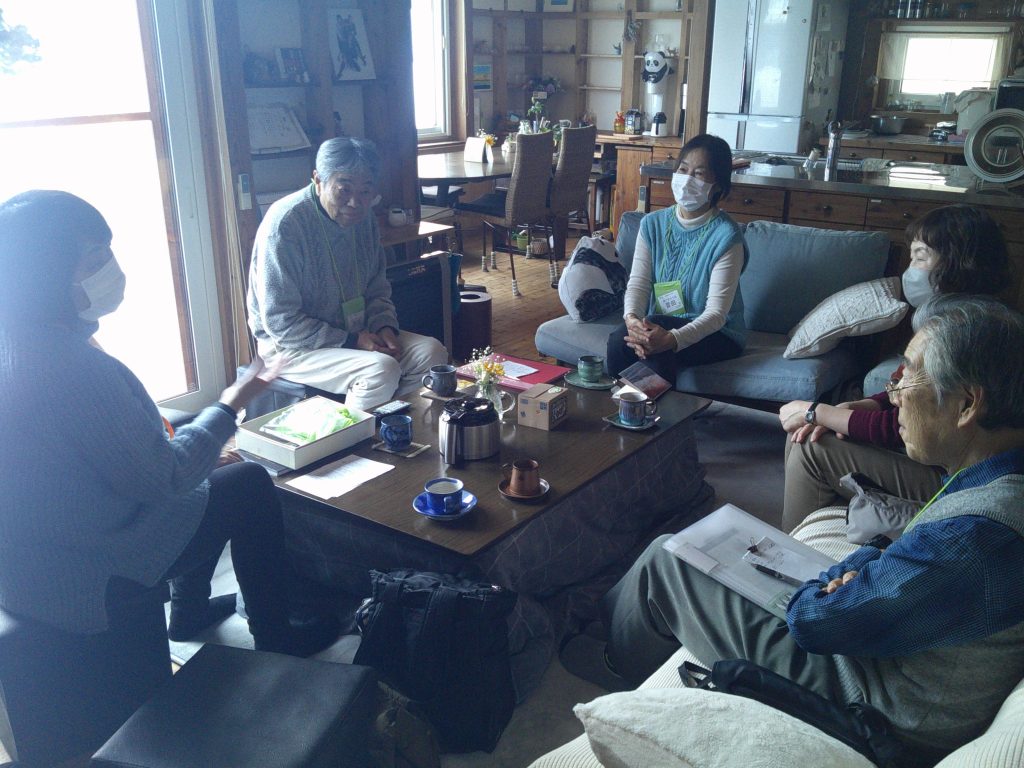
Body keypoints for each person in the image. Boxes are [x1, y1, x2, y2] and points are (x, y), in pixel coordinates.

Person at [598, 295, 1024, 760]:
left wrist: (861, 560)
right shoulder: (996, 481)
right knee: (732, 548)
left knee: (668, 558)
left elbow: (814, 621)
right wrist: (862, 569)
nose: (894, 393)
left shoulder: (973, 538)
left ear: (966, 405)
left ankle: (614, 667)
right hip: (885, 660)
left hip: (873, 703)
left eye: (909, 375)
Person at [0, 190, 338, 656]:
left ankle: (188, 612)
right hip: (88, 571)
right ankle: (276, 637)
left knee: (212, 474)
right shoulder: (72, 368)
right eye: (94, 260)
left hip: (38, 559)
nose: (111, 268)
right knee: (248, 485)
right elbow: (168, 477)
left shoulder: (19, 340)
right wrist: (231, 403)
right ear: (45, 278)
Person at [778, 204, 1010, 532]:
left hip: (957, 482)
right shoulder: (971, 316)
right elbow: (906, 394)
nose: (909, 270)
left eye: (920, 257)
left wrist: (817, 411)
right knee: (809, 432)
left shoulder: (961, 333)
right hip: (948, 465)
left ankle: (791, 552)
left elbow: (905, 426)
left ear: (957, 264)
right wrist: (867, 404)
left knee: (810, 444)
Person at [247, 136, 448, 411]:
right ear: (318, 180)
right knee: (380, 370)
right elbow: (280, 322)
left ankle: (394, 424)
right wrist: (353, 340)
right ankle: (357, 436)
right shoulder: (286, 225)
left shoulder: (364, 220)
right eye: (344, 190)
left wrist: (384, 327)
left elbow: (377, 288)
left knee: (431, 352)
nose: (355, 203)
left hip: (356, 332)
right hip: (291, 346)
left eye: (365, 191)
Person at [606, 134, 747, 383]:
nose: (687, 179)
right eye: (683, 170)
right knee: (621, 339)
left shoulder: (727, 236)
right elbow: (638, 283)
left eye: (699, 174)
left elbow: (716, 314)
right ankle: (618, 404)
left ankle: (653, 408)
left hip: (718, 334)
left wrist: (671, 339)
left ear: (718, 186)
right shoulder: (652, 224)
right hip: (659, 323)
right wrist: (632, 320)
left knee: (658, 346)